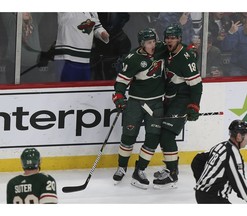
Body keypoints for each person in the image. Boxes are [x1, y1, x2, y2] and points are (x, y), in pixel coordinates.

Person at [112, 28, 166, 189]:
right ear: (142, 44)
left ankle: (140, 170)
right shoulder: (133, 59)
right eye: (149, 43)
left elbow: (176, 46)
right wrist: (119, 97)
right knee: (128, 137)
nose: (153, 45)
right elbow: (121, 81)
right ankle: (122, 167)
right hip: (136, 103)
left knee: (152, 139)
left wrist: (190, 49)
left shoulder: (161, 49)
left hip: (156, 103)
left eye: (154, 42)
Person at [152, 24, 203, 189]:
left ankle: (172, 174)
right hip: (170, 98)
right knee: (162, 135)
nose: (169, 40)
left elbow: (196, 85)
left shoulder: (186, 57)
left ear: (179, 39)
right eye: (167, 37)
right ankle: (169, 168)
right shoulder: (167, 51)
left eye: (173, 38)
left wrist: (194, 106)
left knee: (167, 135)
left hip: (182, 99)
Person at [192, 120, 247, 204]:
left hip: (202, 195)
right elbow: (239, 181)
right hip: (213, 198)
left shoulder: (220, 146)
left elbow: (198, 159)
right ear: (239, 136)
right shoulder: (232, 153)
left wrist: (201, 184)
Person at [54, 12, 109, 81]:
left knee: (84, 89)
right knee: (68, 89)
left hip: (85, 59)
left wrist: (102, 33)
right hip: (68, 58)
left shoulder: (92, 11)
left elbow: (97, 26)